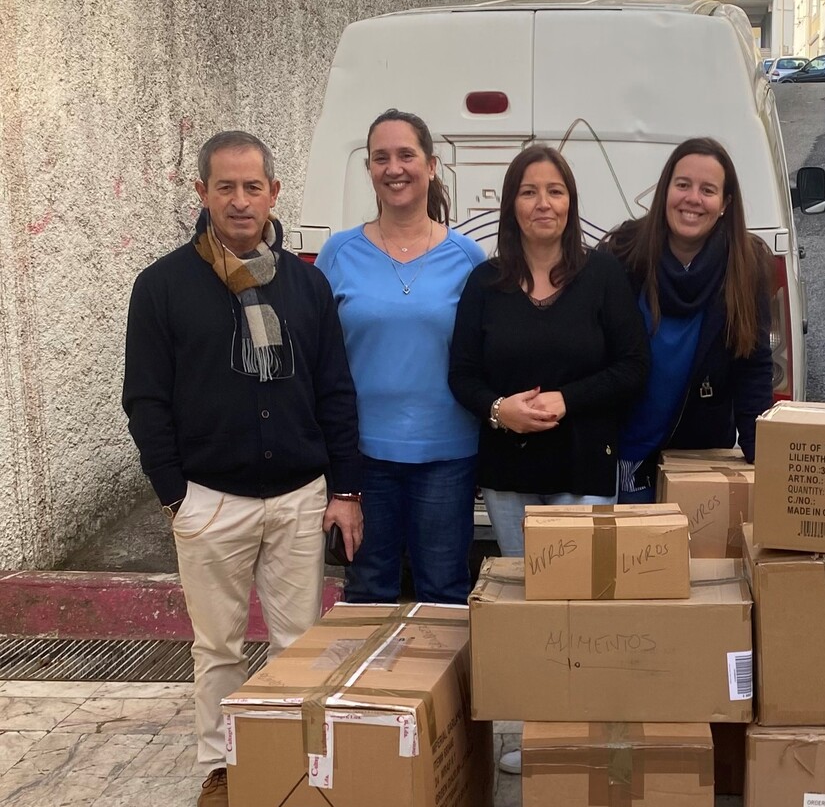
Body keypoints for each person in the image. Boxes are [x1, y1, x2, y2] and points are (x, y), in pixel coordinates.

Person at [123, 131, 363, 807]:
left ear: (273, 195)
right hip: (211, 500)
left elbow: (335, 393)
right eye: (224, 187)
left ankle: (294, 763)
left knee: (298, 645)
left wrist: (342, 488)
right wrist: (175, 495)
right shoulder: (163, 287)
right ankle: (222, 767)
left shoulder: (306, 284)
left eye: (252, 187)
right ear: (201, 194)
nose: (239, 200)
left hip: (295, 498)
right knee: (220, 648)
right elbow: (146, 400)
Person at [448, 143, 649, 558]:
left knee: (578, 600)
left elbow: (634, 366)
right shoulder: (484, 283)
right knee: (522, 598)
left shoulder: (603, 275)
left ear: (570, 203)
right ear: (511, 205)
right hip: (508, 474)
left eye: (555, 192)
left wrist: (568, 399)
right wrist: (499, 410)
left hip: (584, 468)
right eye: (529, 192)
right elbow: (462, 374)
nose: (544, 204)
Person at [316, 109, 485, 604]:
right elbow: (321, 359)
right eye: (381, 157)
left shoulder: (468, 257)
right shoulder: (337, 254)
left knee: (445, 592)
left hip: (448, 457)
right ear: (368, 168)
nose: (395, 168)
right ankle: (371, 686)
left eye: (406, 155)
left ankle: (442, 685)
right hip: (363, 458)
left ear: (432, 166)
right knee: (367, 591)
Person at [604, 136, 774, 499]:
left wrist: (763, 461)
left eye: (707, 190)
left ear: (725, 204)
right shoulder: (623, 251)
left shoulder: (747, 264)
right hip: (620, 455)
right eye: (683, 185)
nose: (693, 199)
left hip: (696, 461)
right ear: (666, 190)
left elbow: (754, 367)